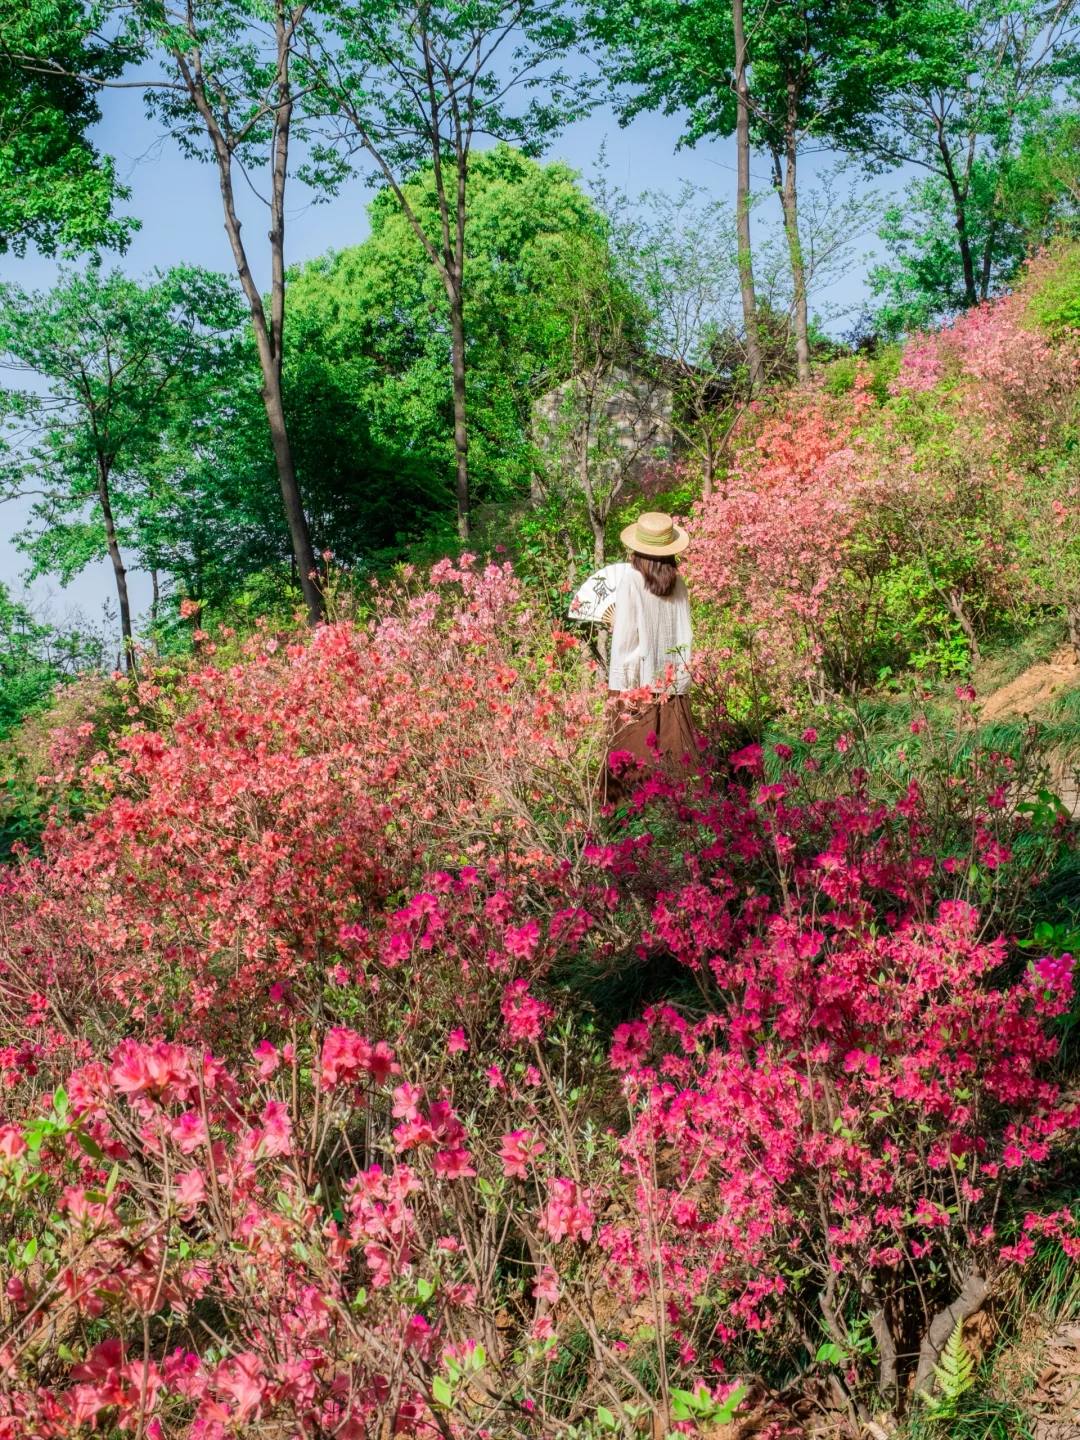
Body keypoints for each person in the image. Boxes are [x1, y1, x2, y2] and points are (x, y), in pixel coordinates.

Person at [603, 511, 696, 802]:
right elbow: (684, 633)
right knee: (676, 757)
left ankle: (628, 825)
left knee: (631, 762)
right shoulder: (678, 583)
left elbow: (627, 638)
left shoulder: (631, 580)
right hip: (672, 686)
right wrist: (680, 677)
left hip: (638, 686)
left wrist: (621, 684)